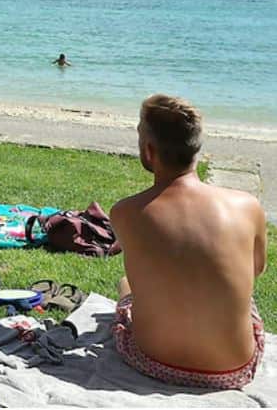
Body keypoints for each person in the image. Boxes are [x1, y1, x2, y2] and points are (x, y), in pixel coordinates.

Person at [109, 95, 266, 389]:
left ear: (148, 150)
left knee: (126, 285)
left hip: (153, 360)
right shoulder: (247, 206)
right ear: (196, 150)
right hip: (233, 369)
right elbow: (255, 271)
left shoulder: (126, 212)